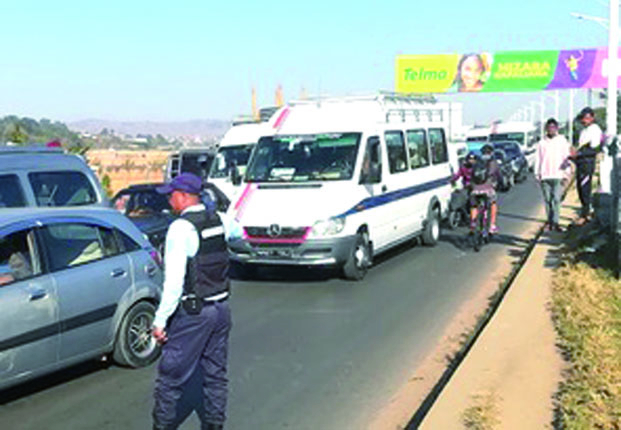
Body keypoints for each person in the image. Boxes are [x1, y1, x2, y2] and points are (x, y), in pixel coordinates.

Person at [152, 172, 232, 430]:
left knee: (170, 378)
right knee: (215, 376)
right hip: (221, 309)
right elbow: (239, 232)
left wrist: (160, 321)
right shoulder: (220, 220)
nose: (169, 201)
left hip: (194, 314)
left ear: (184, 196)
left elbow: (174, 284)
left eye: (171, 195)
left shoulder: (180, 228)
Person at [534, 118, 571, 232]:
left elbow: (566, 157)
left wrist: (567, 173)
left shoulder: (562, 140)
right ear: (546, 129)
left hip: (558, 174)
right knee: (548, 200)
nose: (551, 130)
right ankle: (549, 222)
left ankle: (556, 222)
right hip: (545, 175)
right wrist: (537, 173)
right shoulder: (542, 143)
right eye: (549, 128)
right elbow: (538, 159)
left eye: (553, 127)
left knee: (556, 199)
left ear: (557, 128)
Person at [571, 107, 602, 224]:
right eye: (583, 118)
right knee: (580, 188)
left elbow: (594, 149)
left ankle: (586, 214)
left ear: (592, 118)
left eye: (587, 118)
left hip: (587, 163)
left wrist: (580, 153)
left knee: (585, 189)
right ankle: (584, 212)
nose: (585, 120)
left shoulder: (595, 130)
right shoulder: (584, 131)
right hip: (580, 163)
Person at [470, 144, 500, 234]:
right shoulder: (493, 162)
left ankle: (473, 225)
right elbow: (498, 175)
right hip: (488, 189)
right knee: (493, 203)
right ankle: (492, 226)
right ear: (491, 152)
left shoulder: (476, 162)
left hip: (475, 189)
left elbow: (471, 176)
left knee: (474, 206)